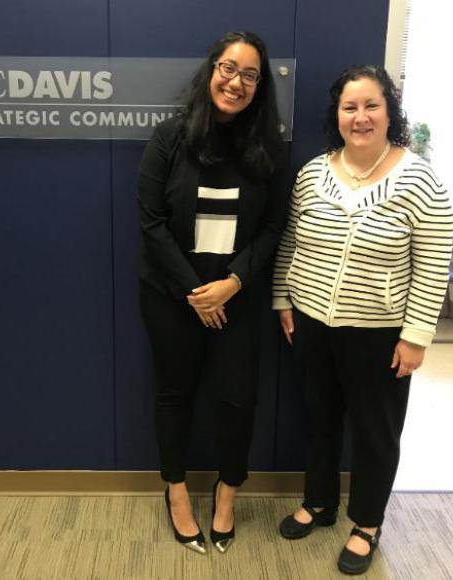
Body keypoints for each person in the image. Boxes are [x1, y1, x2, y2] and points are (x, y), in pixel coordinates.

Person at [272, 65, 453, 575]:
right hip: (310, 323)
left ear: (389, 111)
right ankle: (320, 502)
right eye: (349, 107)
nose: (360, 116)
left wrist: (417, 337)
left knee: (376, 431)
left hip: (379, 334)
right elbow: (290, 242)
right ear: (337, 115)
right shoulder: (313, 173)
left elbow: (434, 262)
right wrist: (281, 299)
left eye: (371, 105)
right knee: (319, 420)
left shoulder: (419, 178)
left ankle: (367, 522)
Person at [138, 31, 288, 554]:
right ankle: (176, 493)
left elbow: (274, 228)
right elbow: (152, 222)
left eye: (250, 74)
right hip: (169, 296)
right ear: (211, 70)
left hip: (239, 300)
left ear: (260, 86)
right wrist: (195, 292)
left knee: (237, 399)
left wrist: (232, 284)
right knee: (174, 395)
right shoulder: (170, 136)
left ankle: (227, 494)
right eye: (229, 68)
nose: (237, 81)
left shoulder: (268, 147)